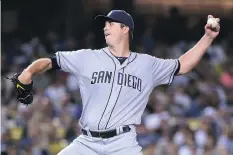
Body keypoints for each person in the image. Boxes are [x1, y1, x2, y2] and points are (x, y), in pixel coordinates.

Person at [15, 10, 220, 155]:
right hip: (87, 142)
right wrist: (29, 71)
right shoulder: (87, 57)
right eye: (104, 24)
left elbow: (182, 65)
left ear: (125, 29)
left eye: (110, 24)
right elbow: (51, 62)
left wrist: (207, 38)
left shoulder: (147, 65)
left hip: (123, 144)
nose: (105, 28)